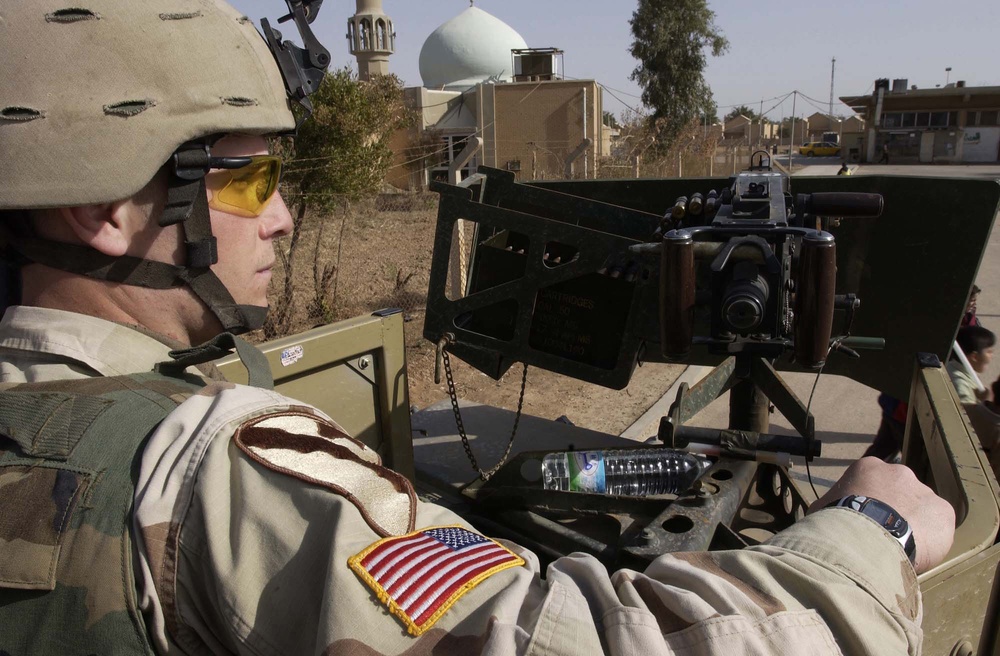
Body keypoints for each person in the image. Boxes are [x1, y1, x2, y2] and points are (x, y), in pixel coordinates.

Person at [0, 2, 956, 654]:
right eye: (248, 177)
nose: (283, 216)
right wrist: (870, 537)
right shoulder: (214, 467)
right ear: (111, 209)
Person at [948, 325, 996, 403]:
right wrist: (986, 402)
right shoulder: (960, 384)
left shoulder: (951, 366)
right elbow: (966, 413)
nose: (992, 356)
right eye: (989, 352)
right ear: (974, 357)